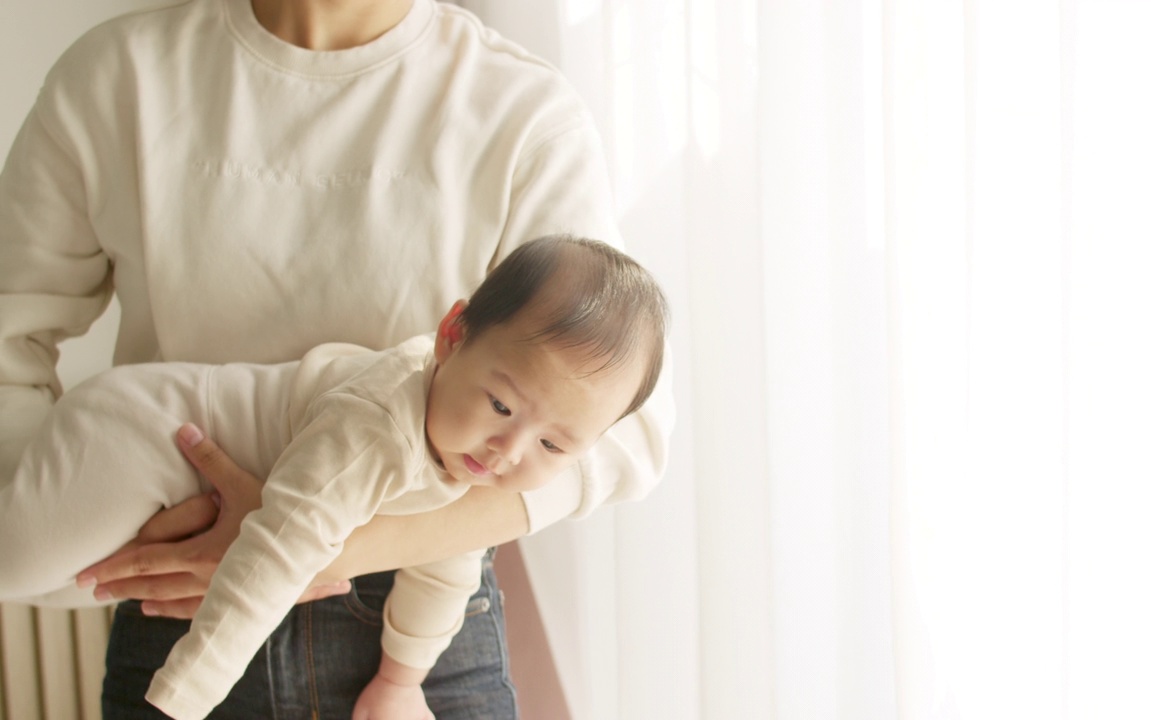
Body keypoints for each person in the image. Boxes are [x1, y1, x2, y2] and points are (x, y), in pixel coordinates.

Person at [0, 0, 675, 718]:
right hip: (181, 601)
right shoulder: (117, 76)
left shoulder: (518, 106)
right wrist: (74, 518)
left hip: (418, 632)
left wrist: (333, 547)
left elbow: (628, 433)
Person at [1, 236, 669, 720]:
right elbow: (274, 556)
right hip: (140, 436)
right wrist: (181, 700)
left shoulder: (473, 461)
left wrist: (401, 683)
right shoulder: (378, 427)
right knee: (16, 565)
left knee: (74, 582)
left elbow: (445, 567)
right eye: (500, 405)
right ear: (451, 335)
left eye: (552, 443)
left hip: (192, 486)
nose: (507, 451)